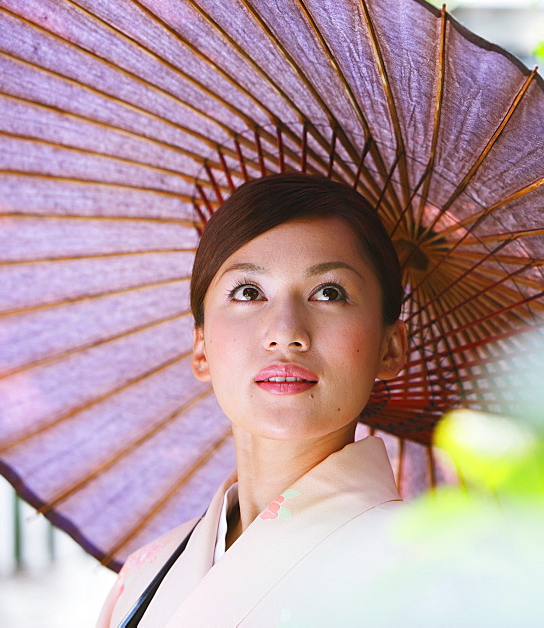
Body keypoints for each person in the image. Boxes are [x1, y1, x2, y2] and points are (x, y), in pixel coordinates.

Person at [97, 172, 409, 627]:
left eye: (329, 293)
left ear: (391, 347)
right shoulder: (147, 575)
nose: (285, 332)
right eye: (248, 292)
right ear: (201, 348)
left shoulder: (425, 574)